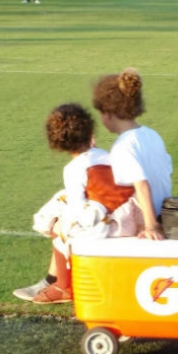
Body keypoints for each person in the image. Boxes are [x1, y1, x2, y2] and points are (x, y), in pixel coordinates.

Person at [13, 103, 143, 304]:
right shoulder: (108, 156)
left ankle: (63, 286)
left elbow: (77, 211)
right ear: (90, 131)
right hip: (133, 221)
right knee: (61, 205)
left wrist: (60, 223)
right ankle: (55, 280)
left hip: (112, 228)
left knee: (59, 224)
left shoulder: (74, 168)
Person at [92, 68, 173, 241]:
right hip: (164, 213)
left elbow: (141, 185)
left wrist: (151, 226)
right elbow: (166, 173)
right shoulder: (152, 135)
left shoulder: (123, 146)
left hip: (144, 220)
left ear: (108, 113)